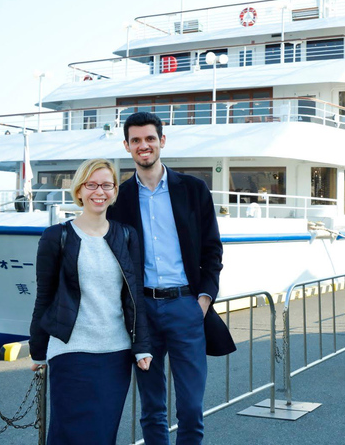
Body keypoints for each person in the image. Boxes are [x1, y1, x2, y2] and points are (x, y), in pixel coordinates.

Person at [108, 111, 236, 445]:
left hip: (186, 308)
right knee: (152, 408)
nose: (143, 145)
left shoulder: (193, 189)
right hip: (142, 314)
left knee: (191, 407)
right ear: (127, 146)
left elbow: (212, 249)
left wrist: (204, 301)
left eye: (150, 138)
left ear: (161, 141)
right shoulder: (118, 199)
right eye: (136, 140)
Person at [29, 159, 152, 445]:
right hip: (71, 351)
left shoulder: (126, 235)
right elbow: (44, 297)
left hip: (115, 353)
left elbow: (134, 297)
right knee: (67, 433)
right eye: (92, 184)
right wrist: (38, 351)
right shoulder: (55, 237)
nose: (100, 191)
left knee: (102, 434)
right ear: (80, 190)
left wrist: (142, 346)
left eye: (107, 185)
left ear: (114, 191)